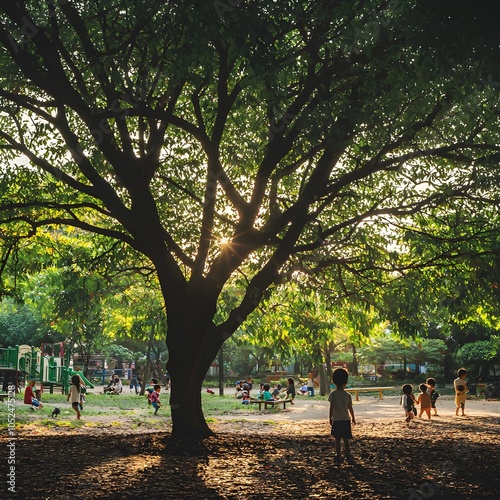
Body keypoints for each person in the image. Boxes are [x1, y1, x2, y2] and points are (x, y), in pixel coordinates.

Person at [328, 368, 355, 464]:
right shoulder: (347, 395)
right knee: (346, 438)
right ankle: (348, 454)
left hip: (337, 419)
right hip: (346, 420)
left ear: (333, 381)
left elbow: (331, 407)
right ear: (346, 381)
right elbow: (350, 408)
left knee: (337, 438)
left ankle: (338, 455)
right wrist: (353, 418)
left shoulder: (333, 394)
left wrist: (330, 418)